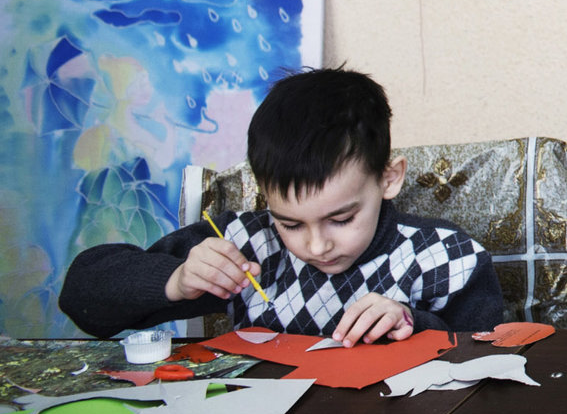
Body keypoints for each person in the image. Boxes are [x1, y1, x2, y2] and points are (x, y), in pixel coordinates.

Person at [62, 67, 504, 343]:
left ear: (389, 177)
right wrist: (175, 280)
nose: (316, 246)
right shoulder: (246, 245)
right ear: (263, 191)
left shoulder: (444, 256)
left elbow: (488, 358)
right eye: (289, 223)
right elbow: (83, 295)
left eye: (342, 218)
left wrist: (414, 325)